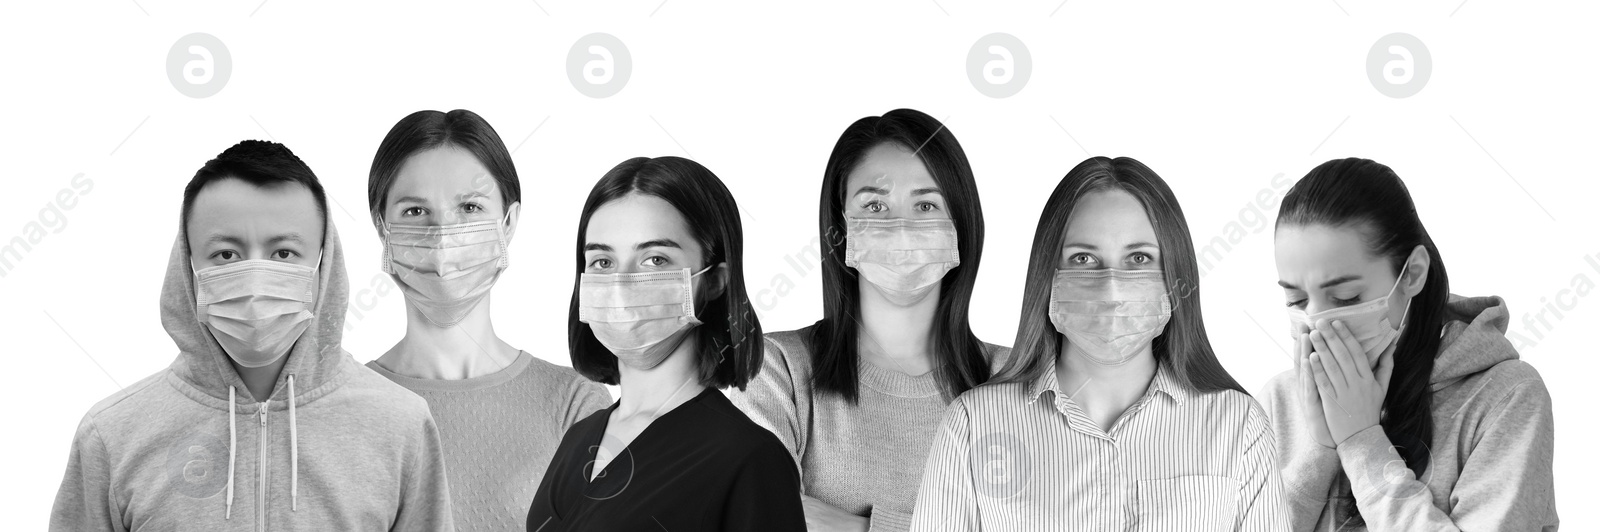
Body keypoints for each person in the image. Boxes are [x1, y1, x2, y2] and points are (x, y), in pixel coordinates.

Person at [49, 140, 451, 530]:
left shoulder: (401, 426)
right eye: (226, 254)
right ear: (187, 265)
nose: (256, 278)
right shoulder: (112, 436)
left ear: (324, 265)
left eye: (283, 254)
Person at [912, 156, 1288, 531]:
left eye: (1138, 258)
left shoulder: (1238, 425)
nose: (1111, 287)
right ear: (1049, 275)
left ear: (1175, 275)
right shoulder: (973, 424)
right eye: (1084, 258)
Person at [730, 109, 1008, 532]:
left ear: (960, 225)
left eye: (926, 204)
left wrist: (849, 525)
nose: (900, 225)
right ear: (839, 227)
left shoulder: (1016, 378)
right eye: (875, 205)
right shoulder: (776, 369)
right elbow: (757, 516)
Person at [1260, 157, 1558, 530]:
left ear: (1412, 274)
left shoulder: (1505, 398)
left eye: (1347, 297)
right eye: (1296, 300)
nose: (1317, 325)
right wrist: (1318, 451)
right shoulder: (1280, 400)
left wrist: (1361, 442)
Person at [362, 109, 611, 531]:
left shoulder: (575, 406)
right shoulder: (343, 404)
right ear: (381, 225)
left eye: (470, 207)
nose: (443, 235)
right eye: (415, 212)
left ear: (508, 222)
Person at [526, 156, 805, 531]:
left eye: (654, 259)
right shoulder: (580, 436)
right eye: (603, 262)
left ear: (715, 279)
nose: (622, 284)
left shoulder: (749, 457)